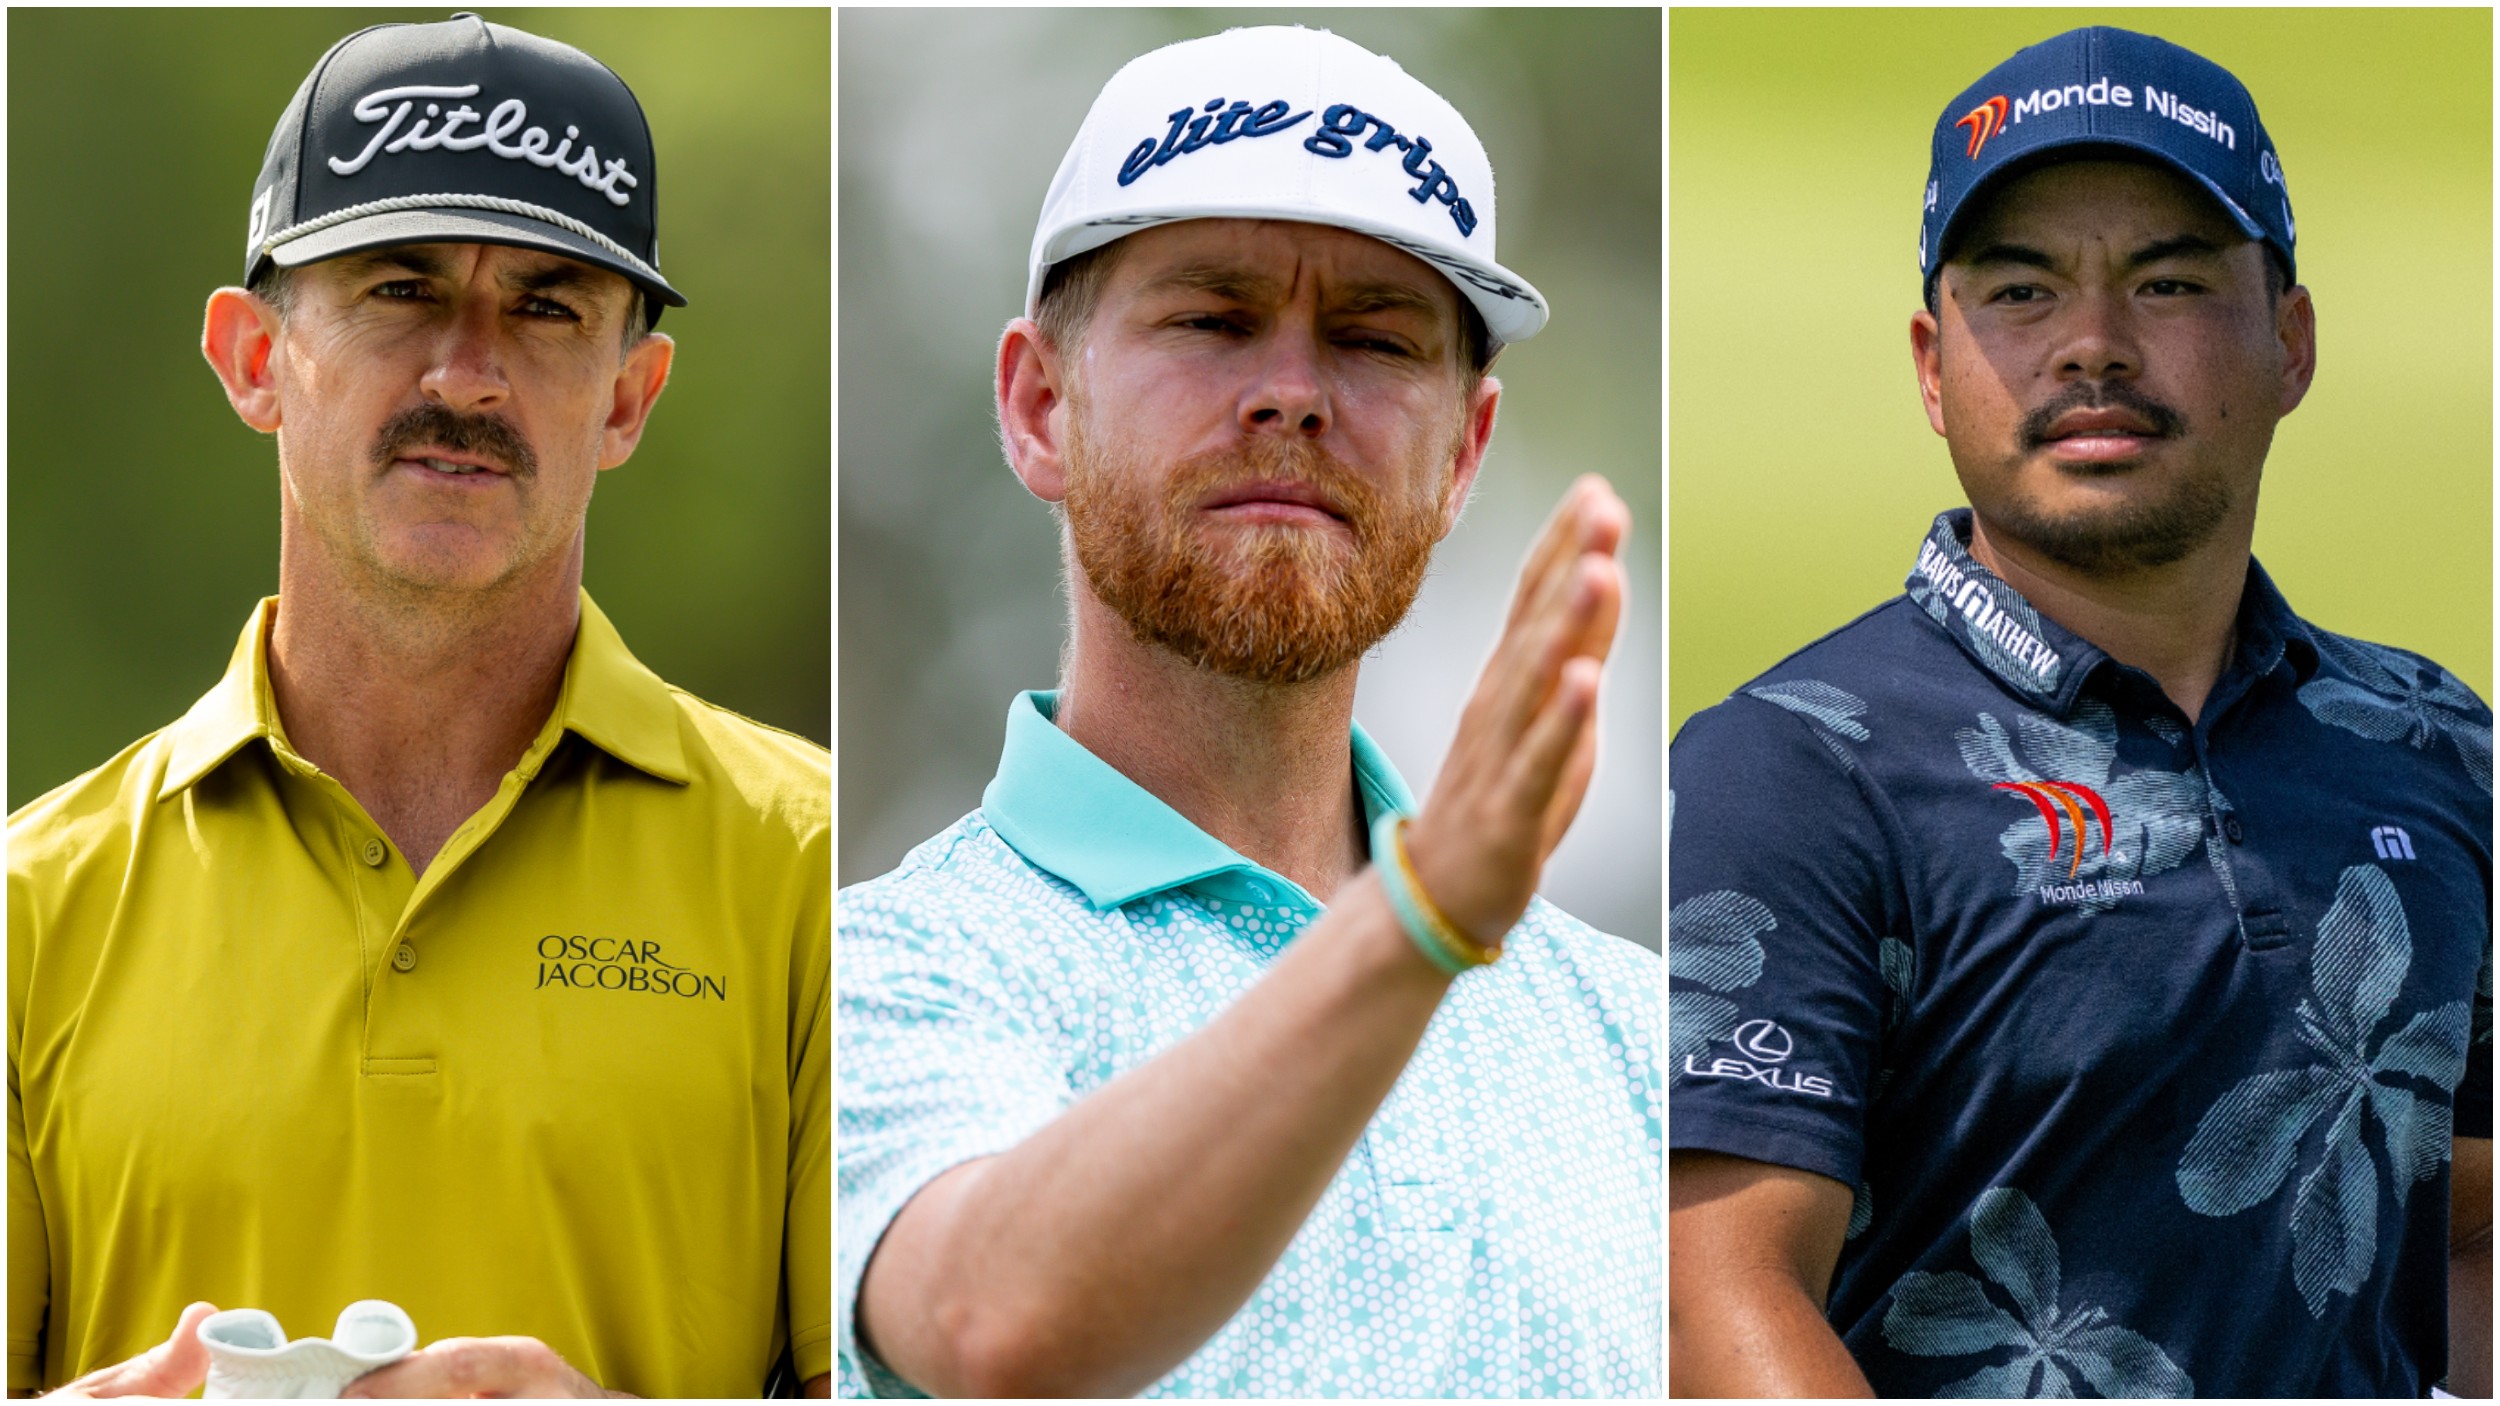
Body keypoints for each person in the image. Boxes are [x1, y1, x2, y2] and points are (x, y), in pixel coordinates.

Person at [7, 16, 829, 1399]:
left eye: (550, 306)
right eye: (400, 290)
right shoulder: (31, 907)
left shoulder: (816, 872)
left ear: (632, 394)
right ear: (254, 356)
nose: (467, 373)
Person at [1668, 25, 2491, 1398]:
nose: (2095, 346)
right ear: (1934, 367)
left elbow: (2467, 1224)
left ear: (2290, 343)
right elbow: (1712, 1299)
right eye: (2024, 291)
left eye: (2166, 283)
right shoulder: (1789, 765)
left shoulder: (2429, 736)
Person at [837, 25, 1659, 1399]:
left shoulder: (1632, 1028)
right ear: (1041, 405)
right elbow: (994, 1322)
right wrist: (1419, 921)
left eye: (1374, 337)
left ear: (1464, 455)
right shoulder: (880, 973)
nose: (1291, 393)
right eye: (1212, 319)